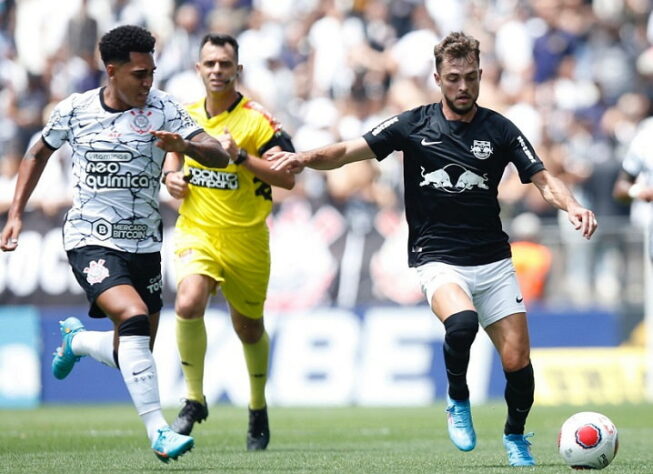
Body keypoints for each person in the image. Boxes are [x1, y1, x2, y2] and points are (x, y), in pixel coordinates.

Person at [268, 31, 597, 467]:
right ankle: (457, 399)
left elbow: (541, 177)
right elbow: (349, 151)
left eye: (471, 78)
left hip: (494, 262)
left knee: (518, 362)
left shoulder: (500, 129)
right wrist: (305, 158)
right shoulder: (413, 124)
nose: (463, 88)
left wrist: (572, 205)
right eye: (454, 78)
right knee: (461, 324)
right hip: (437, 258)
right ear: (438, 78)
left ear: (481, 75)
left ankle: (515, 435)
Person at [0, 25, 231, 463]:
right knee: (134, 316)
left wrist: (184, 145)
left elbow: (217, 152)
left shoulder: (164, 110)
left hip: (144, 243)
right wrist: (15, 214)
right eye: (139, 74)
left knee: (132, 344)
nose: (148, 83)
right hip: (90, 237)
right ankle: (159, 430)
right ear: (112, 71)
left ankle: (79, 343)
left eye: (152, 73)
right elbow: (36, 153)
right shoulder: (76, 109)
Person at [161, 33, 295, 450]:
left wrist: (240, 157)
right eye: (210, 64)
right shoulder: (183, 115)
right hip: (197, 231)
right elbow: (173, 154)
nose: (217, 70)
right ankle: (193, 399)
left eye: (225, 64)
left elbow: (288, 176)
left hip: (246, 239)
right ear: (198, 69)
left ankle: (257, 408)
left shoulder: (259, 121)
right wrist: (171, 177)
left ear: (238, 70)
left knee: (249, 328)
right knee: (187, 301)